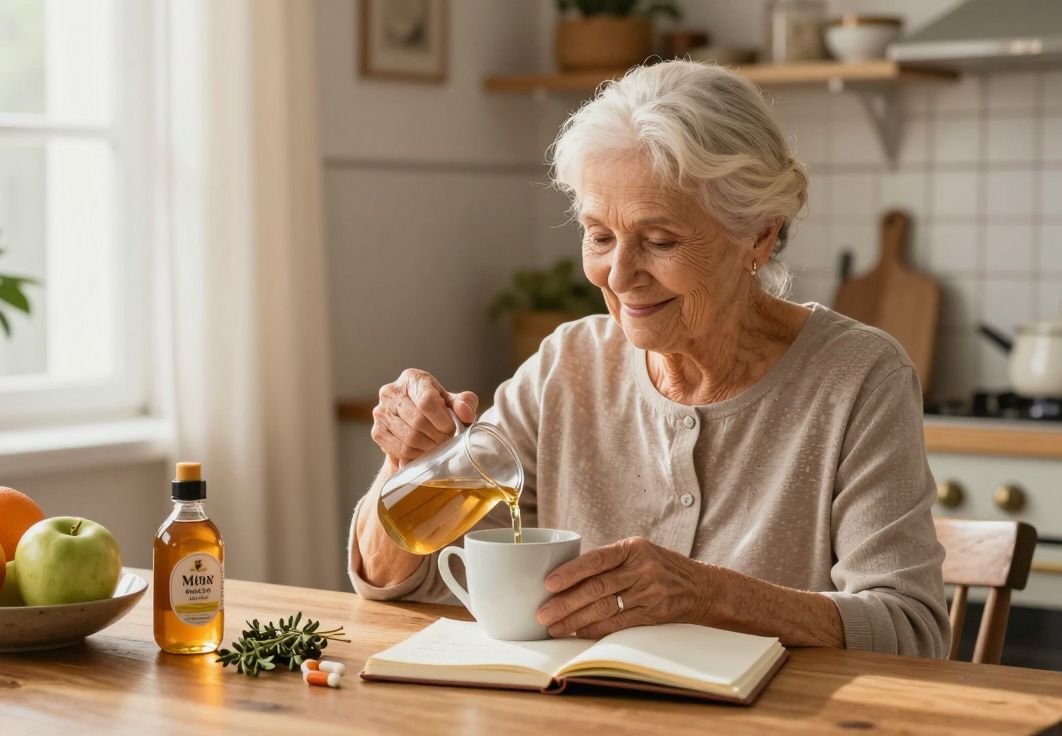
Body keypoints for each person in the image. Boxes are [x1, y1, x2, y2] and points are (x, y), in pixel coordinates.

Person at [347, 60, 950, 657]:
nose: (620, 273)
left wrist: (710, 596)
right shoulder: (568, 365)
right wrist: (409, 464)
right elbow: (399, 582)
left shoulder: (860, 378)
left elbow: (911, 631)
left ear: (760, 236)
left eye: (661, 242)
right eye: (600, 236)